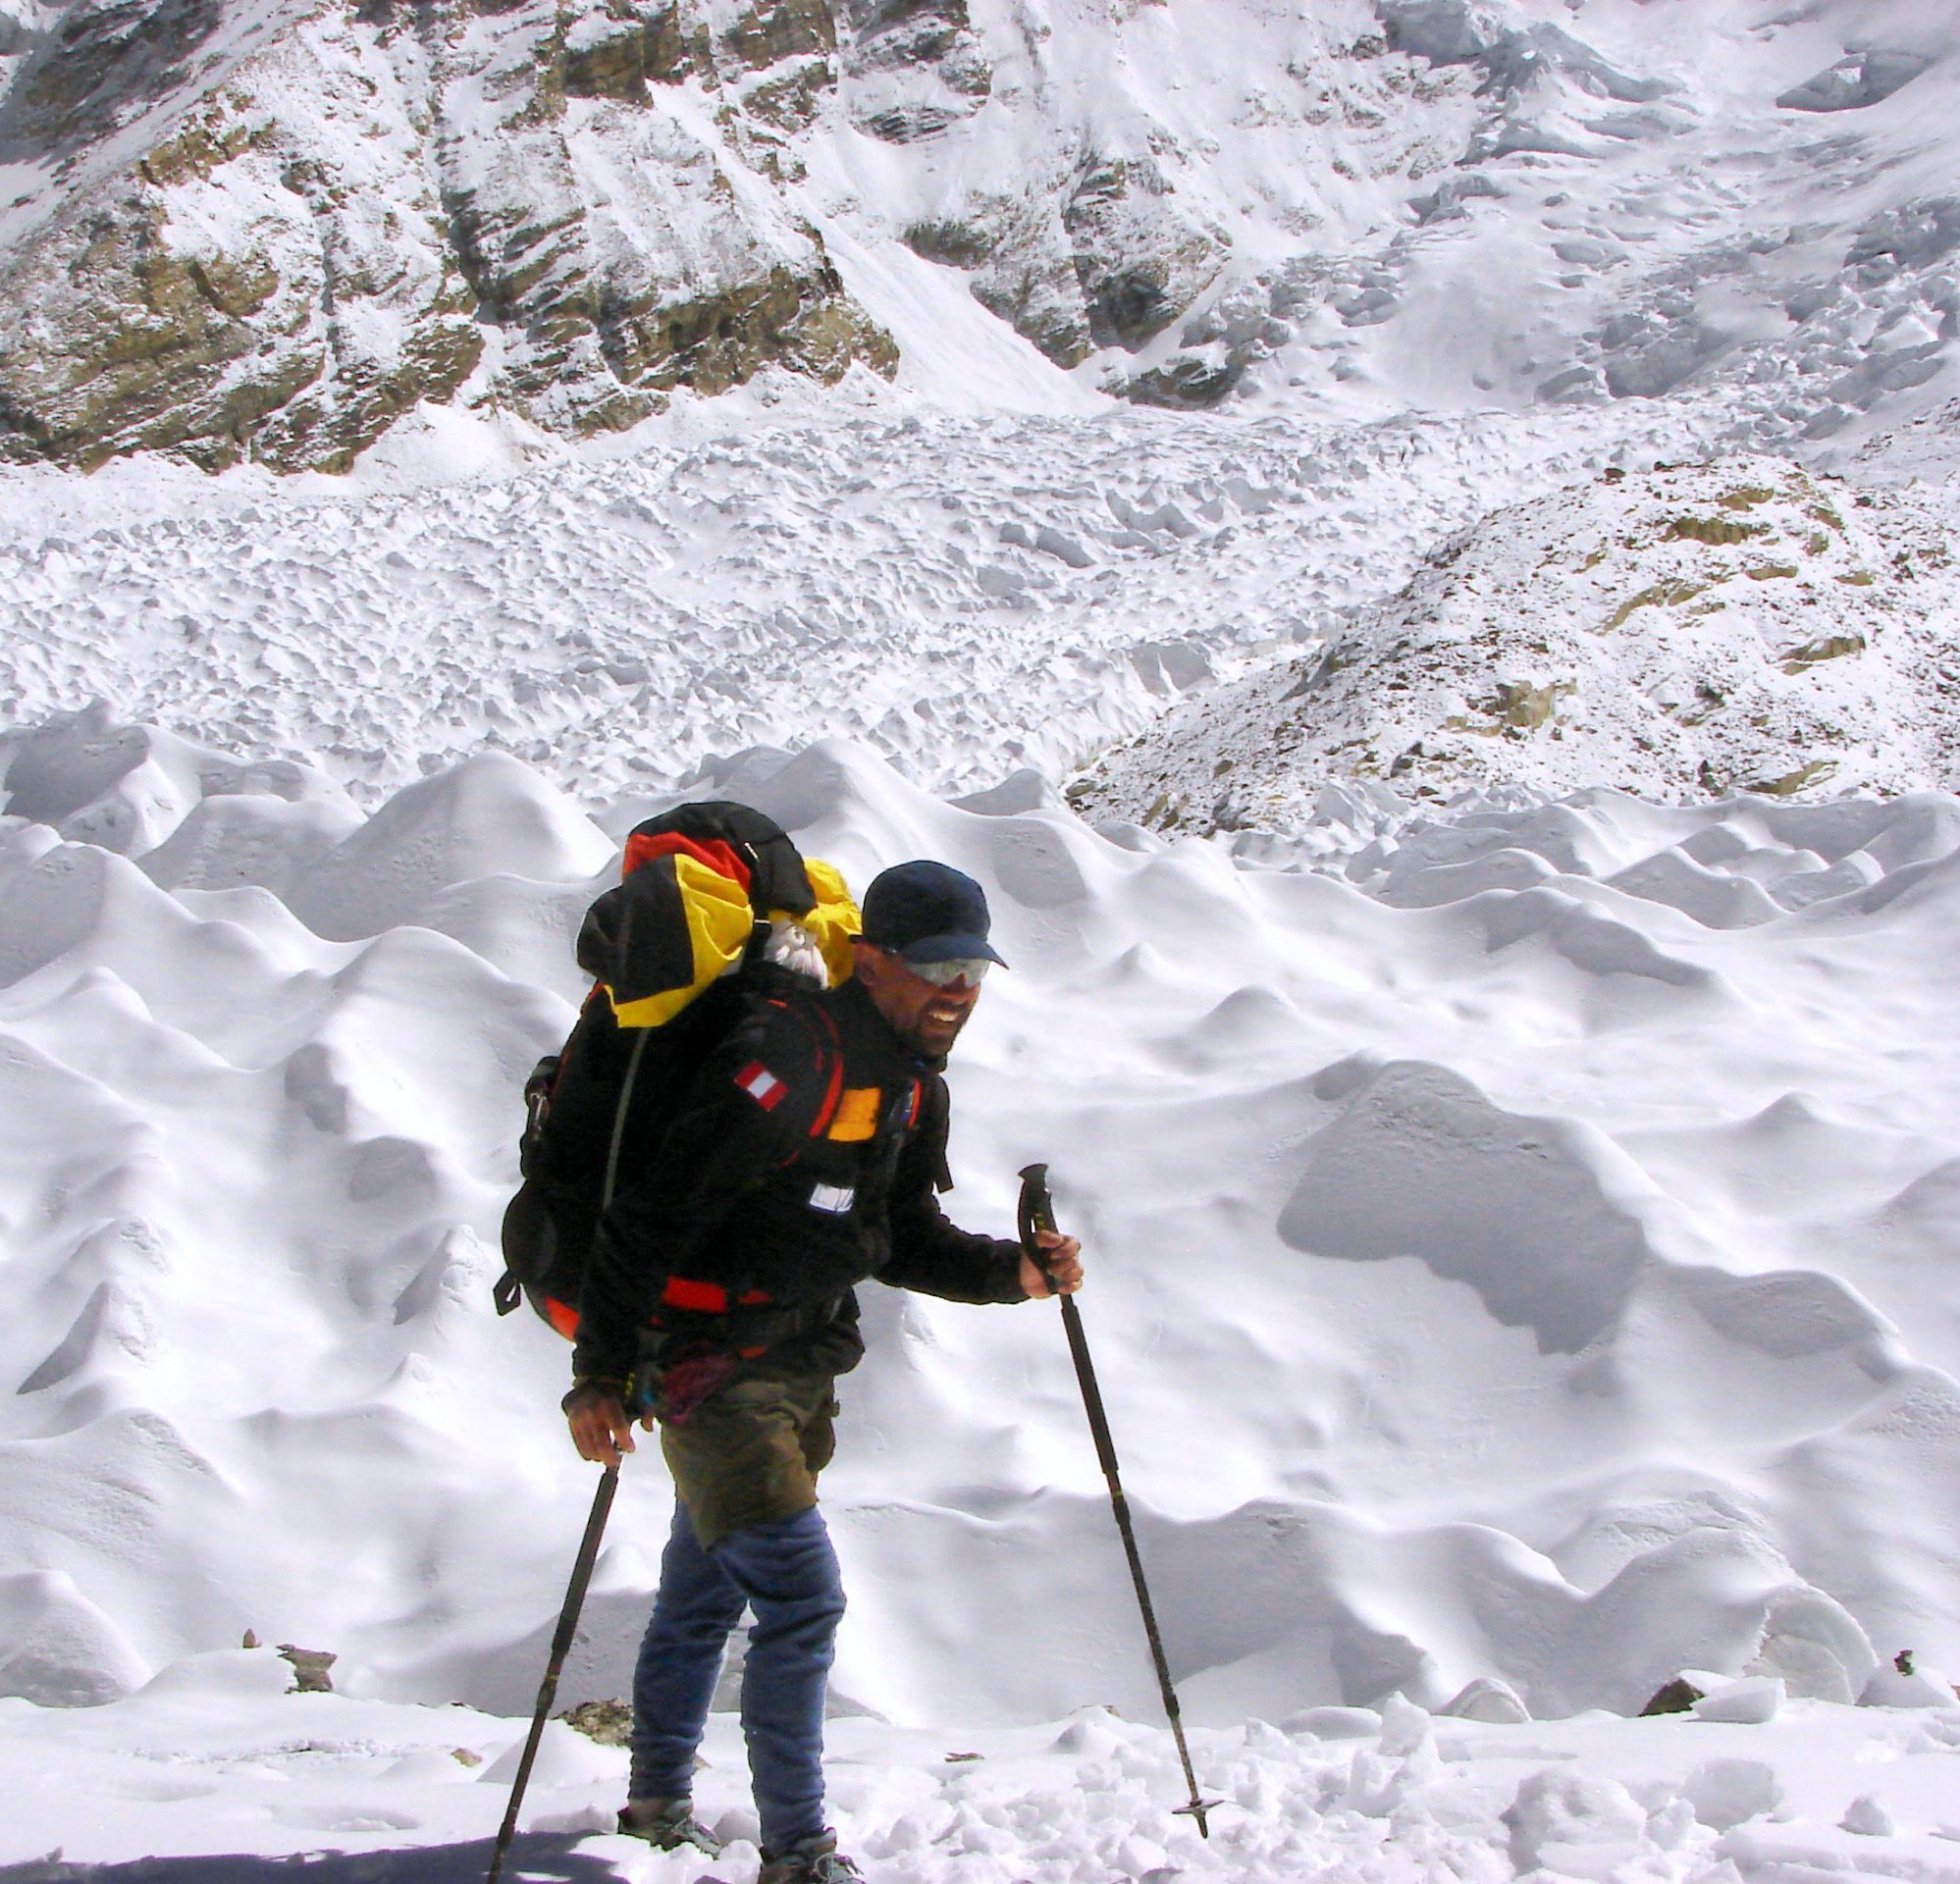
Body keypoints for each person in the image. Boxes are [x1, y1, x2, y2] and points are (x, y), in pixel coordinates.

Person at [563, 859, 1084, 1884]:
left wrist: (1012, 1273)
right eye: (937, 967)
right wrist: (602, 1373)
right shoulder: (781, 1061)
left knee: (702, 1588)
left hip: (801, 1365)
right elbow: (648, 1216)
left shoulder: (908, 1087)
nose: (959, 991)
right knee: (800, 1602)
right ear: (874, 959)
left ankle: (655, 1799)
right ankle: (797, 1855)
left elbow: (896, 1236)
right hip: (712, 1373)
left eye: (974, 970)